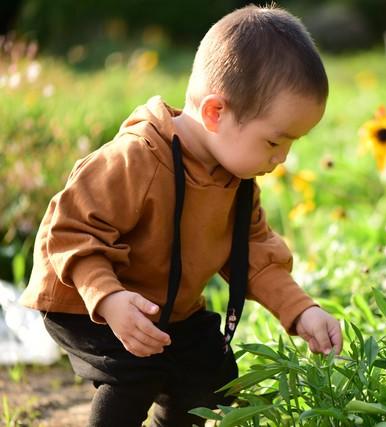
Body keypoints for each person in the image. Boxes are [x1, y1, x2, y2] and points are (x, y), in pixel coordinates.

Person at [19, 5, 342, 427]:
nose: (282, 158)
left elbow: (253, 253)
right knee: (135, 373)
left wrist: (301, 310)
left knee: (211, 370)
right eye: (274, 142)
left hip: (165, 306)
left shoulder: (237, 179)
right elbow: (70, 231)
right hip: (84, 296)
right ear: (215, 113)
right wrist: (110, 298)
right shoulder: (136, 159)